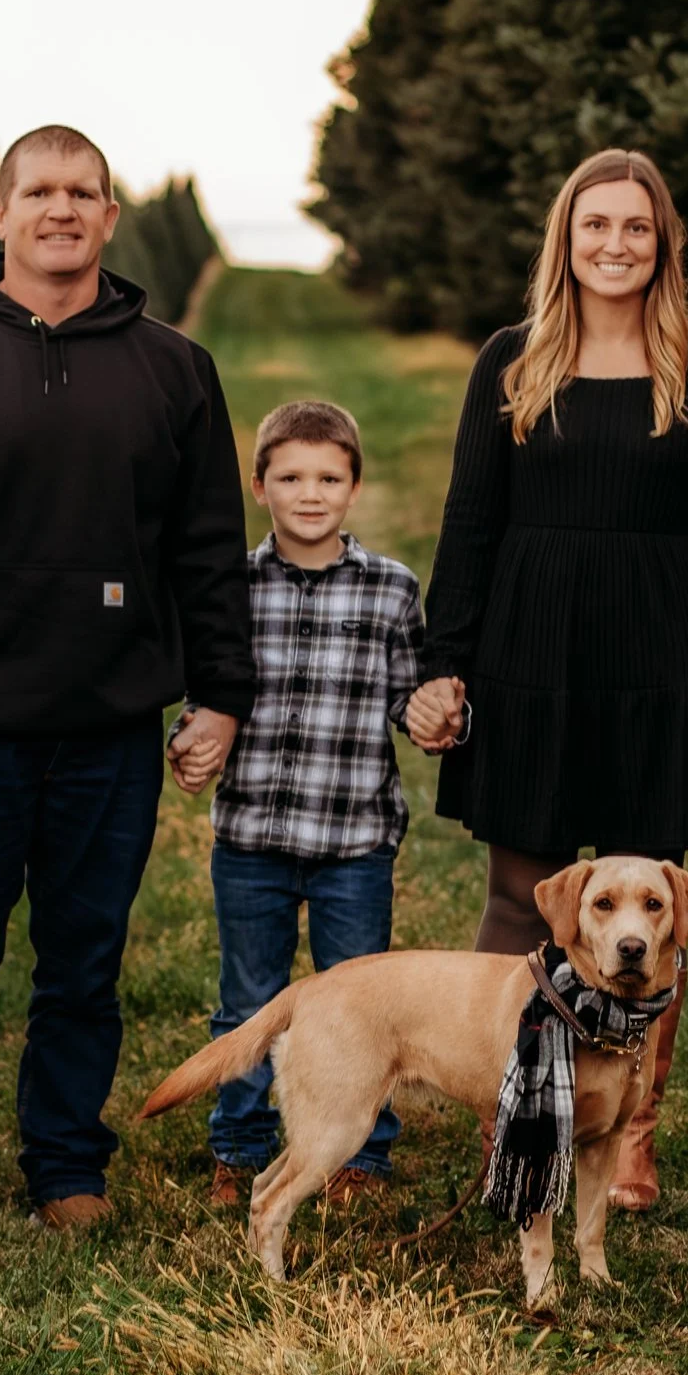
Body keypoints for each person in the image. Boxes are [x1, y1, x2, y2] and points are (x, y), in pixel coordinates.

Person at [0, 124, 254, 1242]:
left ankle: (66, 1165)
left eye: (83, 192)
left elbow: (208, 552)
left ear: (111, 218)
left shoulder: (174, 369)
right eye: (40, 192)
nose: (61, 209)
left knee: (83, 961)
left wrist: (218, 695)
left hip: (108, 729)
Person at [407, 148, 688, 1212]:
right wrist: (448, 665)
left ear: (662, 245)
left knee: (640, 911)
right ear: (563, 241)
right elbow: (470, 525)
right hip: (531, 653)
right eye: (595, 227)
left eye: (636, 228)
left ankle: (627, 1139)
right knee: (523, 899)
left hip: (660, 662)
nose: (614, 245)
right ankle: (514, 1127)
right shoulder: (511, 361)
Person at [171, 400, 439, 1209]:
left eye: (329, 477)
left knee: (359, 1003)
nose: (310, 493)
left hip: (354, 841)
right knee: (247, 1001)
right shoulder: (233, 588)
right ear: (260, 487)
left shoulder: (391, 589)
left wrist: (433, 713)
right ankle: (240, 1142)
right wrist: (188, 740)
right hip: (253, 836)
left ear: (355, 487)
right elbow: (204, 695)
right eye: (291, 477)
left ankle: (361, 1151)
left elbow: (407, 699)